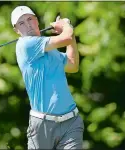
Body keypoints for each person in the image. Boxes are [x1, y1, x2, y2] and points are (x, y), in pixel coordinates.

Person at [11, 6, 84, 149]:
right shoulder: (25, 45)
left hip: (71, 122)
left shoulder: (51, 49)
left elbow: (72, 65)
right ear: (16, 30)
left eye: (30, 19)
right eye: (21, 23)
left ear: (37, 21)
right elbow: (66, 37)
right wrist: (66, 27)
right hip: (42, 126)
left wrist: (70, 35)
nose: (28, 25)